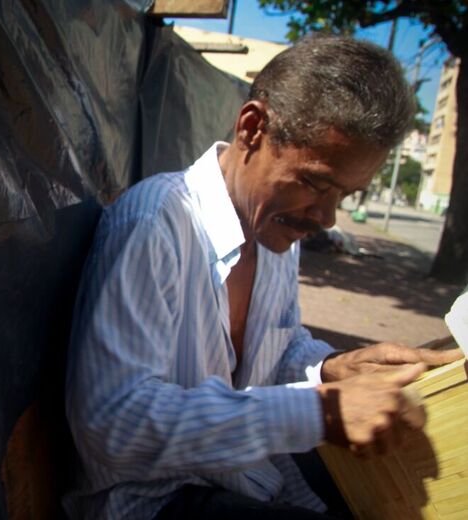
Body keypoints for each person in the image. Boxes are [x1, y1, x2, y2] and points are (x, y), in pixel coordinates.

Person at [63, 35, 463, 519]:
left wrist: (333, 367)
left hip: (245, 476)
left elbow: (279, 346)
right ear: (253, 128)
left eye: (346, 195)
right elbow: (114, 423)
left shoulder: (277, 231)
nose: (328, 217)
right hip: (151, 499)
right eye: (316, 183)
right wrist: (322, 411)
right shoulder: (154, 225)